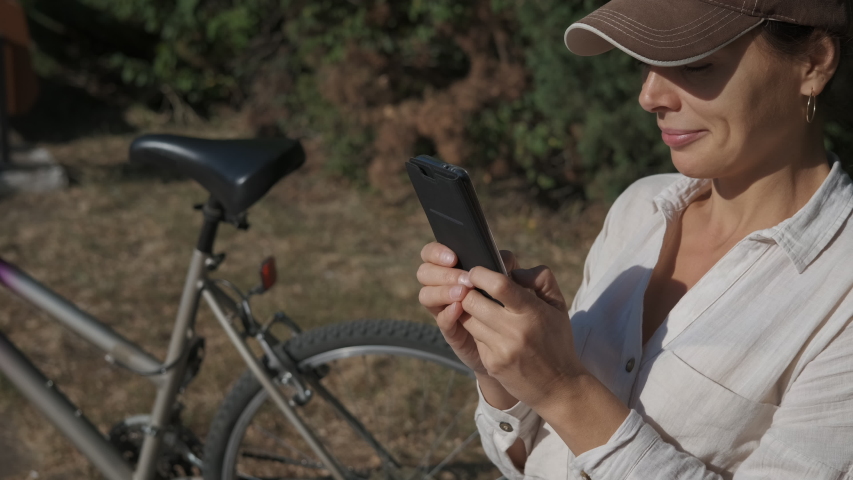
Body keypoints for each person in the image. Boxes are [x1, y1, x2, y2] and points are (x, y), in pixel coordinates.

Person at [416, 0, 853, 478]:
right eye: (645, 63)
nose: (650, 96)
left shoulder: (840, 288)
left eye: (695, 64)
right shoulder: (640, 208)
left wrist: (563, 387)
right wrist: (505, 372)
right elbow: (529, 458)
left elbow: (566, 401)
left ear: (814, 63)